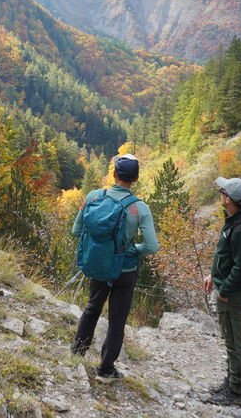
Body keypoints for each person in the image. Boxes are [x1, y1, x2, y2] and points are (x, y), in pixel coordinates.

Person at [70, 154, 158, 383]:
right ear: (135, 178)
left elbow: (76, 231)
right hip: (125, 270)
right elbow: (151, 246)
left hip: (99, 264)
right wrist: (132, 249)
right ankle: (106, 369)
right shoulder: (140, 208)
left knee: (92, 308)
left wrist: (101, 247)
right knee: (117, 319)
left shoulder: (93, 197)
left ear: (114, 174)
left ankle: (76, 356)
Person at [202, 176, 241, 407]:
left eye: (222, 191)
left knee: (234, 339)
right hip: (228, 288)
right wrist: (213, 275)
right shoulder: (235, 220)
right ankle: (230, 381)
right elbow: (227, 257)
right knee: (229, 337)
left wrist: (224, 288)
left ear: (229, 199)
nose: (220, 194)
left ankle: (236, 391)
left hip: (232, 293)